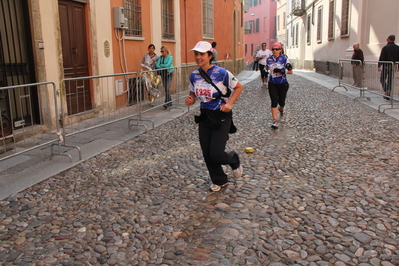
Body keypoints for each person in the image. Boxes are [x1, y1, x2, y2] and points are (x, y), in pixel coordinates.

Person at [185, 41, 243, 192]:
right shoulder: (194, 75)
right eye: (196, 54)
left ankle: (233, 159)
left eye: (202, 54)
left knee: (216, 153)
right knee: (207, 152)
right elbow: (193, 93)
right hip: (205, 116)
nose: (198, 57)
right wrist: (191, 99)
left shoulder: (221, 73)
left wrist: (229, 104)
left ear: (209, 56)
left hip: (221, 115)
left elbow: (238, 87)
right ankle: (219, 180)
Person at [265, 42, 293, 129]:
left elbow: (291, 72)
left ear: (280, 50)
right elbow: (267, 67)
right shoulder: (269, 59)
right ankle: (275, 121)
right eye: (273, 49)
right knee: (274, 101)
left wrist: (282, 71)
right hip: (272, 83)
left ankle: (281, 109)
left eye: (277, 49)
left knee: (281, 101)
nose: (275, 51)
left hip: (283, 83)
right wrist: (266, 69)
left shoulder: (284, 59)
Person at [378, 35, 399, 100]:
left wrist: (379, 65)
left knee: (382, 79)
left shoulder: (385, 48)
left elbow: (382, 57)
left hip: (386, 65)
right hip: (394, 66)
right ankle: (388, 94)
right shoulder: (397, 48)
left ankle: (387, 90)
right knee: (390, 80)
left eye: (387, 39)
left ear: (389, 39)